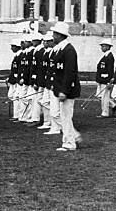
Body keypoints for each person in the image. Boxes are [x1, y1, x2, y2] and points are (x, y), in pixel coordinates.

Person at [49, 22, 82, 151]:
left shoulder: (69, 50)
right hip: (61, 89)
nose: (53, 36)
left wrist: (64, 91)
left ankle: (69, 143)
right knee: (62, 116)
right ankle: (72, 137)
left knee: (65, 116)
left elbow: (69, 72)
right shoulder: (61, 49)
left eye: (55, 34)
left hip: (67, 90)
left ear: (60, 35)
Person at [28, 33, 45, 126]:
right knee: (35, 99)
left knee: (38, 99)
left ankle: (37, 118)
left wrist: (36, 81)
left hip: (38, 79)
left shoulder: (41, 51)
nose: (32, 42)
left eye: (34, 40)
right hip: (35, 78)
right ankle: (35, 117)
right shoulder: (37, 50)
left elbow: (39, 68)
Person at [95, 39, 115, 118]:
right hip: (101, 79)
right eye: (102, 46)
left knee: (105, 97)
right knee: (99, 96)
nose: (102, 48)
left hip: (105, 79)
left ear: (108, 47)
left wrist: (109, 82)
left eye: (103, 46)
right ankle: (113, 105)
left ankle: (105, 112)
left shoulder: (109, 56)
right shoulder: (105, 55)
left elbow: (110, 70)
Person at [6, 39, 22, 122]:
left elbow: (19, 69)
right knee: (11, 96)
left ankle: (17, 115)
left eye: (13, 46)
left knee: (16, 97)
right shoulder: (16, 55)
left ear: (17, 47)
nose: (11, 48)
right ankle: (17, 114)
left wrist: (16, 78)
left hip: (17, 80)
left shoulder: (20, 56)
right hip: (13, 79)